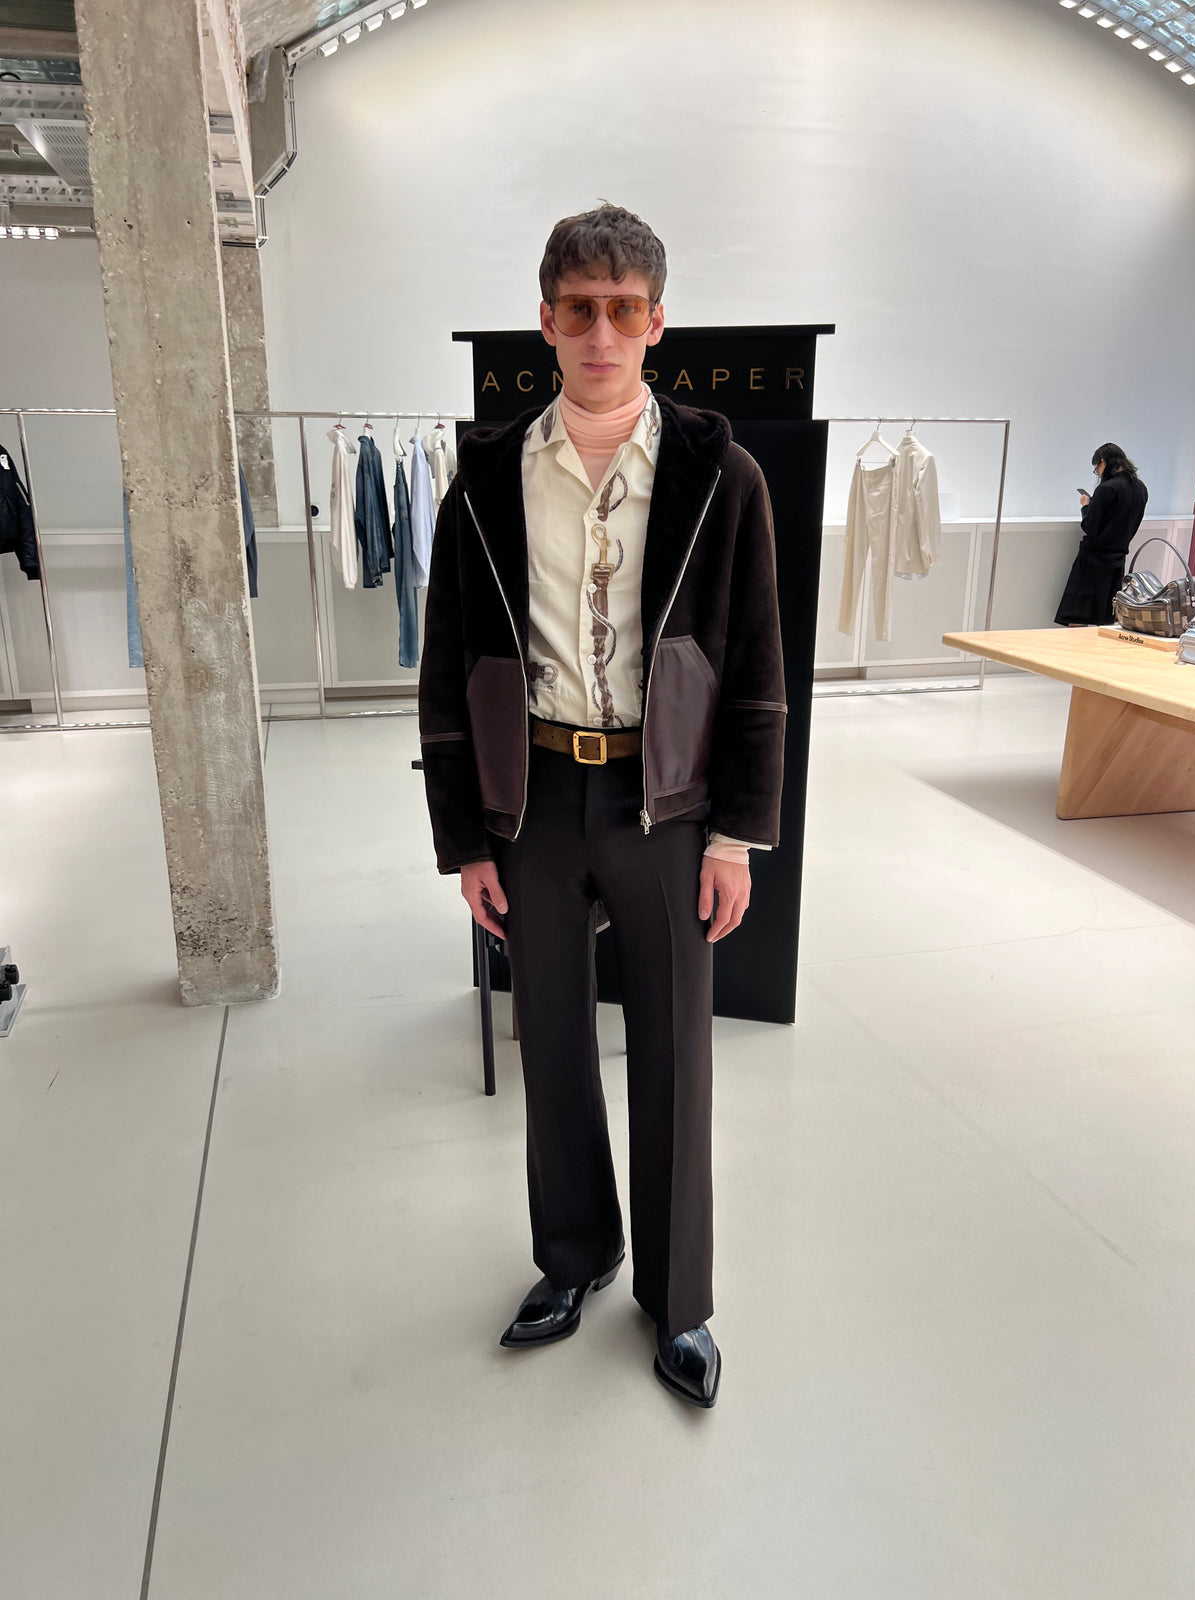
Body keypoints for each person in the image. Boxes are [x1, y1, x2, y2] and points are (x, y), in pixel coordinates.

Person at [417, 204, 786, 1409]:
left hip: (662, 800)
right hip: (532, 798)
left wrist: (733, 837)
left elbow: (757, 669)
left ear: (657, 323)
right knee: (555, 1039)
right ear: (546, 320)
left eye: (624, 309)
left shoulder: (722, 476)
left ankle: (679, 1301)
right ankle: (574, 1255)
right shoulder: (484, 478)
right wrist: (466, 839)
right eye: (580, 308)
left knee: (674, 1046)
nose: (601, 333)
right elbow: (446, 666)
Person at [1054, 442, 1148, 627]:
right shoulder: (1140, 488)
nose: (1097, 473)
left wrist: (1086, 506)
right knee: (1105, 617)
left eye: (1096, 468)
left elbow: (1091, 526)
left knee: (1077, 614)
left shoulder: (1107, 489)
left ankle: (1077, 647)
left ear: (1103, 463)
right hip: (1117, 560)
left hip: (1093, 560)